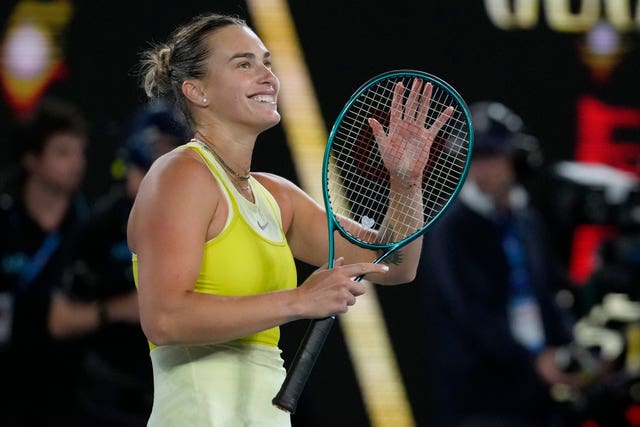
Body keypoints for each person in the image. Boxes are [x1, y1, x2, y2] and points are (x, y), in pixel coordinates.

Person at [127, 12, 447, 426]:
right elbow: (164, 319)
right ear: (197, 91)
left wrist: (405, 185)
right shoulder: (180, 174)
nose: (267, 76)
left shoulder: (275, 196)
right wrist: (299, 300)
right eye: (244, 64)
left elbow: (393, 264)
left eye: (267, 62)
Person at [416, 101, 583, 427]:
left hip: (539, 399)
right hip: (481, 405)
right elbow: (472, 315)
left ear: (516, 159)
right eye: (475, 159)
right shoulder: (451, 229)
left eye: (493, 156)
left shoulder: (527, 220)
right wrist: (535, 363)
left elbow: (550, 292)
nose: (483, 170)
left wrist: (569, 353)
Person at [48, 100, 186, 426]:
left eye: (173, 146)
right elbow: (59, 320)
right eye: (160, 145)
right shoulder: (98, 229)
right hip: (111, 399)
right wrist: (119, 308)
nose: (166, 155)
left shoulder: (202, 221)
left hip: (184, 394)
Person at [0, 97, 90, 426]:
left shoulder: (93, 230)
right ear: (31, 159)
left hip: (74, 397)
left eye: (80, 152)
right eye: (63, 152)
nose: (77, 163)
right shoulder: (5, 225)